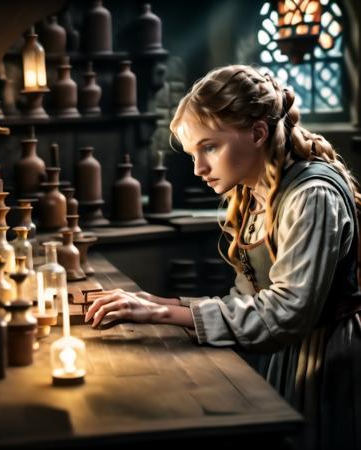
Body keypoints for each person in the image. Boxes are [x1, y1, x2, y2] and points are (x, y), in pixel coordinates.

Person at [85, 64, 361, 450]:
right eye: (193, 153)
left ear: (258, 132)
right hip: (287, 354)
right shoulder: (252, 193)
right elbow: (250, 302)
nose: (198, 168)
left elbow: (287, 313)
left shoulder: (311, 195)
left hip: (326, 358)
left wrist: (164, 315)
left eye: (209, 147)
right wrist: (162, 303)